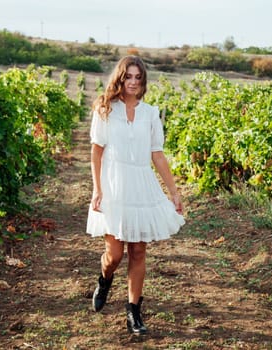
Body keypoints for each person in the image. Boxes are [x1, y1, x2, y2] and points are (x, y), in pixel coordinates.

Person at [86, 55, 185, 335]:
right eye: (127, 77)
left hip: (141, 183)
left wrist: (174, 192)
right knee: (114, 255)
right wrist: (97, 189)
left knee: (138, 251)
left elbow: (157, 154)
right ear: (120, 78)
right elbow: (96, 151)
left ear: (143, 81)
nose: (132, 82)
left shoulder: (150, 113)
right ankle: (105, 279)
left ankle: (134, 313)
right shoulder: (106, 109)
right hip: (114, 184)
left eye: (137, 78)